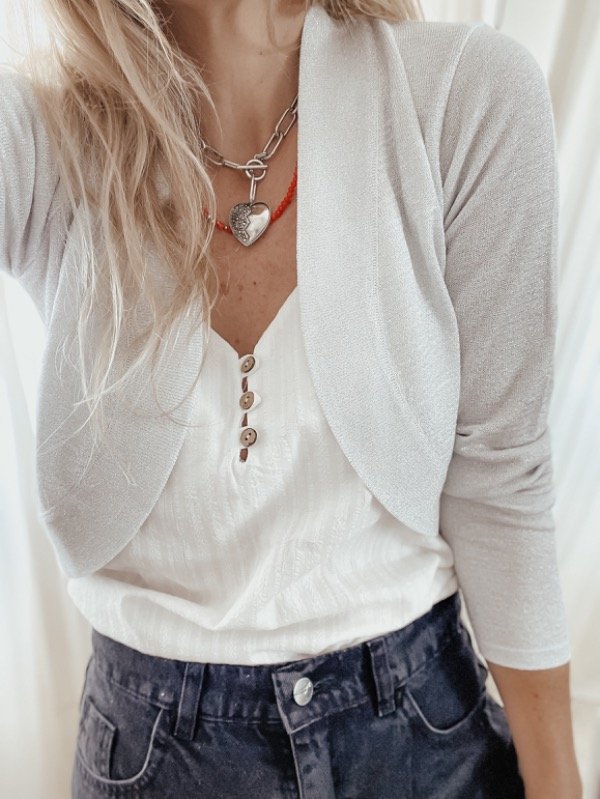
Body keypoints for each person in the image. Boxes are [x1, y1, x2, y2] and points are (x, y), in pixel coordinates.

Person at [0, 0, 584, 796]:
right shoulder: (46, 131)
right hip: (154, 758)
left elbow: (501, 478)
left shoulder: (463, 93)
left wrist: (558, 782)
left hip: (425, 740)